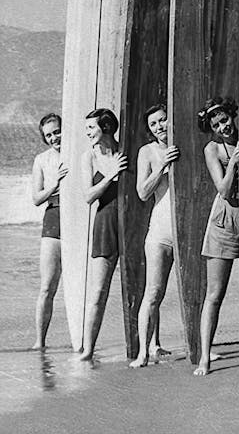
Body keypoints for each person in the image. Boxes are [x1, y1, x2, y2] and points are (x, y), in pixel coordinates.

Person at [193, 97, 239, 377]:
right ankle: (205, 357)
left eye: (225, 120)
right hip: (223, 222)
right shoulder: (213, 148)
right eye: (216, 125)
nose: (223, 127)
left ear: (232, 115)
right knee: (214, 294)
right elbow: (224, 190)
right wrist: (234, 162)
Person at [129, 103, 180, 367]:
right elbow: (142, 192)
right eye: (154, 124)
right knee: (153, 292)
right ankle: (143, 352)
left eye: (163, 120)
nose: (160, 127)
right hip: (159, 231)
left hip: (184, 232)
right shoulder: (147, 152)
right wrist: (162, 165)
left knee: (192, 291)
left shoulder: (185, 144)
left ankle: (199, 347)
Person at [80, 107, 127, 360]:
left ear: (106, 127)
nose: (87, 133)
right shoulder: (89, 157)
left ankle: (153, 344)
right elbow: (88, 196)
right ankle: (88, 350)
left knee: (141, 286)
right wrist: (111, 174)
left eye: (91, 128)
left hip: (130, 221)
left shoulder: (126, 149)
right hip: (105, 221)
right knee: (98, 291)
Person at [31, 113, 67, 348]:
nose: (54, 137)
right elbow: (36, 198)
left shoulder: (79, 151)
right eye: (49, 134)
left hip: (79, 215)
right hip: (54, 215)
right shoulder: (42, 160)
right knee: (47, 286)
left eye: (57, 131)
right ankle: (40, 342)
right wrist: (54, 186)